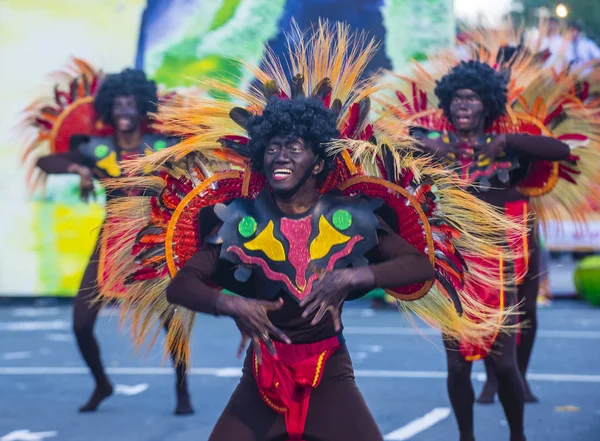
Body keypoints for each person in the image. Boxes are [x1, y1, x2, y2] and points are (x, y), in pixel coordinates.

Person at [98, 21, 523, 441]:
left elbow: (419, 267)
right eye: (273, 148)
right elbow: (182, 285)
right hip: (263, 373)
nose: (280, 156)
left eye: (294, 148)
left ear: (318, 163)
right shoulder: (242, 218)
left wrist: (354, 276)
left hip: (328, 373)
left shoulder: (351, 218)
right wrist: (231, 305)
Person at [391, 54, 600, 440]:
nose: (463, 105)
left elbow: (561, 150)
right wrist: (428, 145)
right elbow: (390, 143)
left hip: (497, 265)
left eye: (471, 98)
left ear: (488, 103)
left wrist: (505, 140)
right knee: (456, 368)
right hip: (454, 267)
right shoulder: (437, 143)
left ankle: (517, 434)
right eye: (456, 99)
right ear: (447, 102)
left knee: (505, 367)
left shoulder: (504, 144)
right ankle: (466, 436)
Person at [22, 64, 193, 414]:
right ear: (109, 109)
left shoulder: (160, 146)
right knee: (81, 323)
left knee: (171, 322)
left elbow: (197, 160)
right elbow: (46, 163)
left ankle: (182, 389)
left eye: (131, 104)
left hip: (151, 241)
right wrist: (80, 169)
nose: (125, 111)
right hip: (110, 241)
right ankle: (102, 383)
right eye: (118, 105)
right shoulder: (95, 148)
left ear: (142, 107)